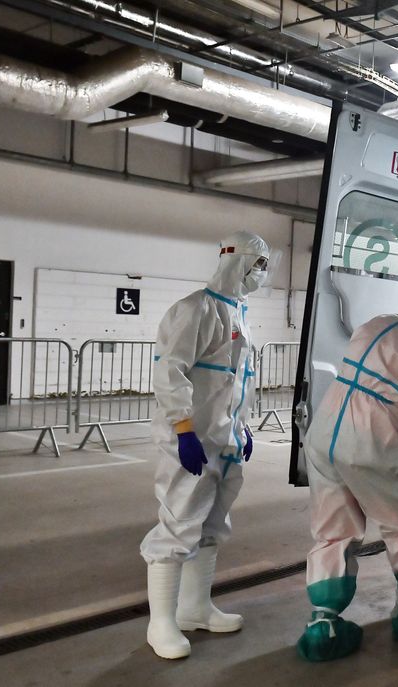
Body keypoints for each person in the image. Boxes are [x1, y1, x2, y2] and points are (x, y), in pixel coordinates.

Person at [297, 281, 398, 662]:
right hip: (374, 442)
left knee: (332, 531)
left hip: (324, 434)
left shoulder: (375, 324)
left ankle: (323, 625)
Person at [139, 231, 271, 659]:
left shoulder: (237, 312)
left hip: (224, 439)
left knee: (212, 525)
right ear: (240, 262)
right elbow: (170, 371)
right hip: (193, 438)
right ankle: (161, 622)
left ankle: (194, 608)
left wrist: (242, 428)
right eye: (259, 265)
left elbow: (236, 380)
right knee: (178, 524)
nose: (262, 274)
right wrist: (183, 428)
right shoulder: (197, 309)